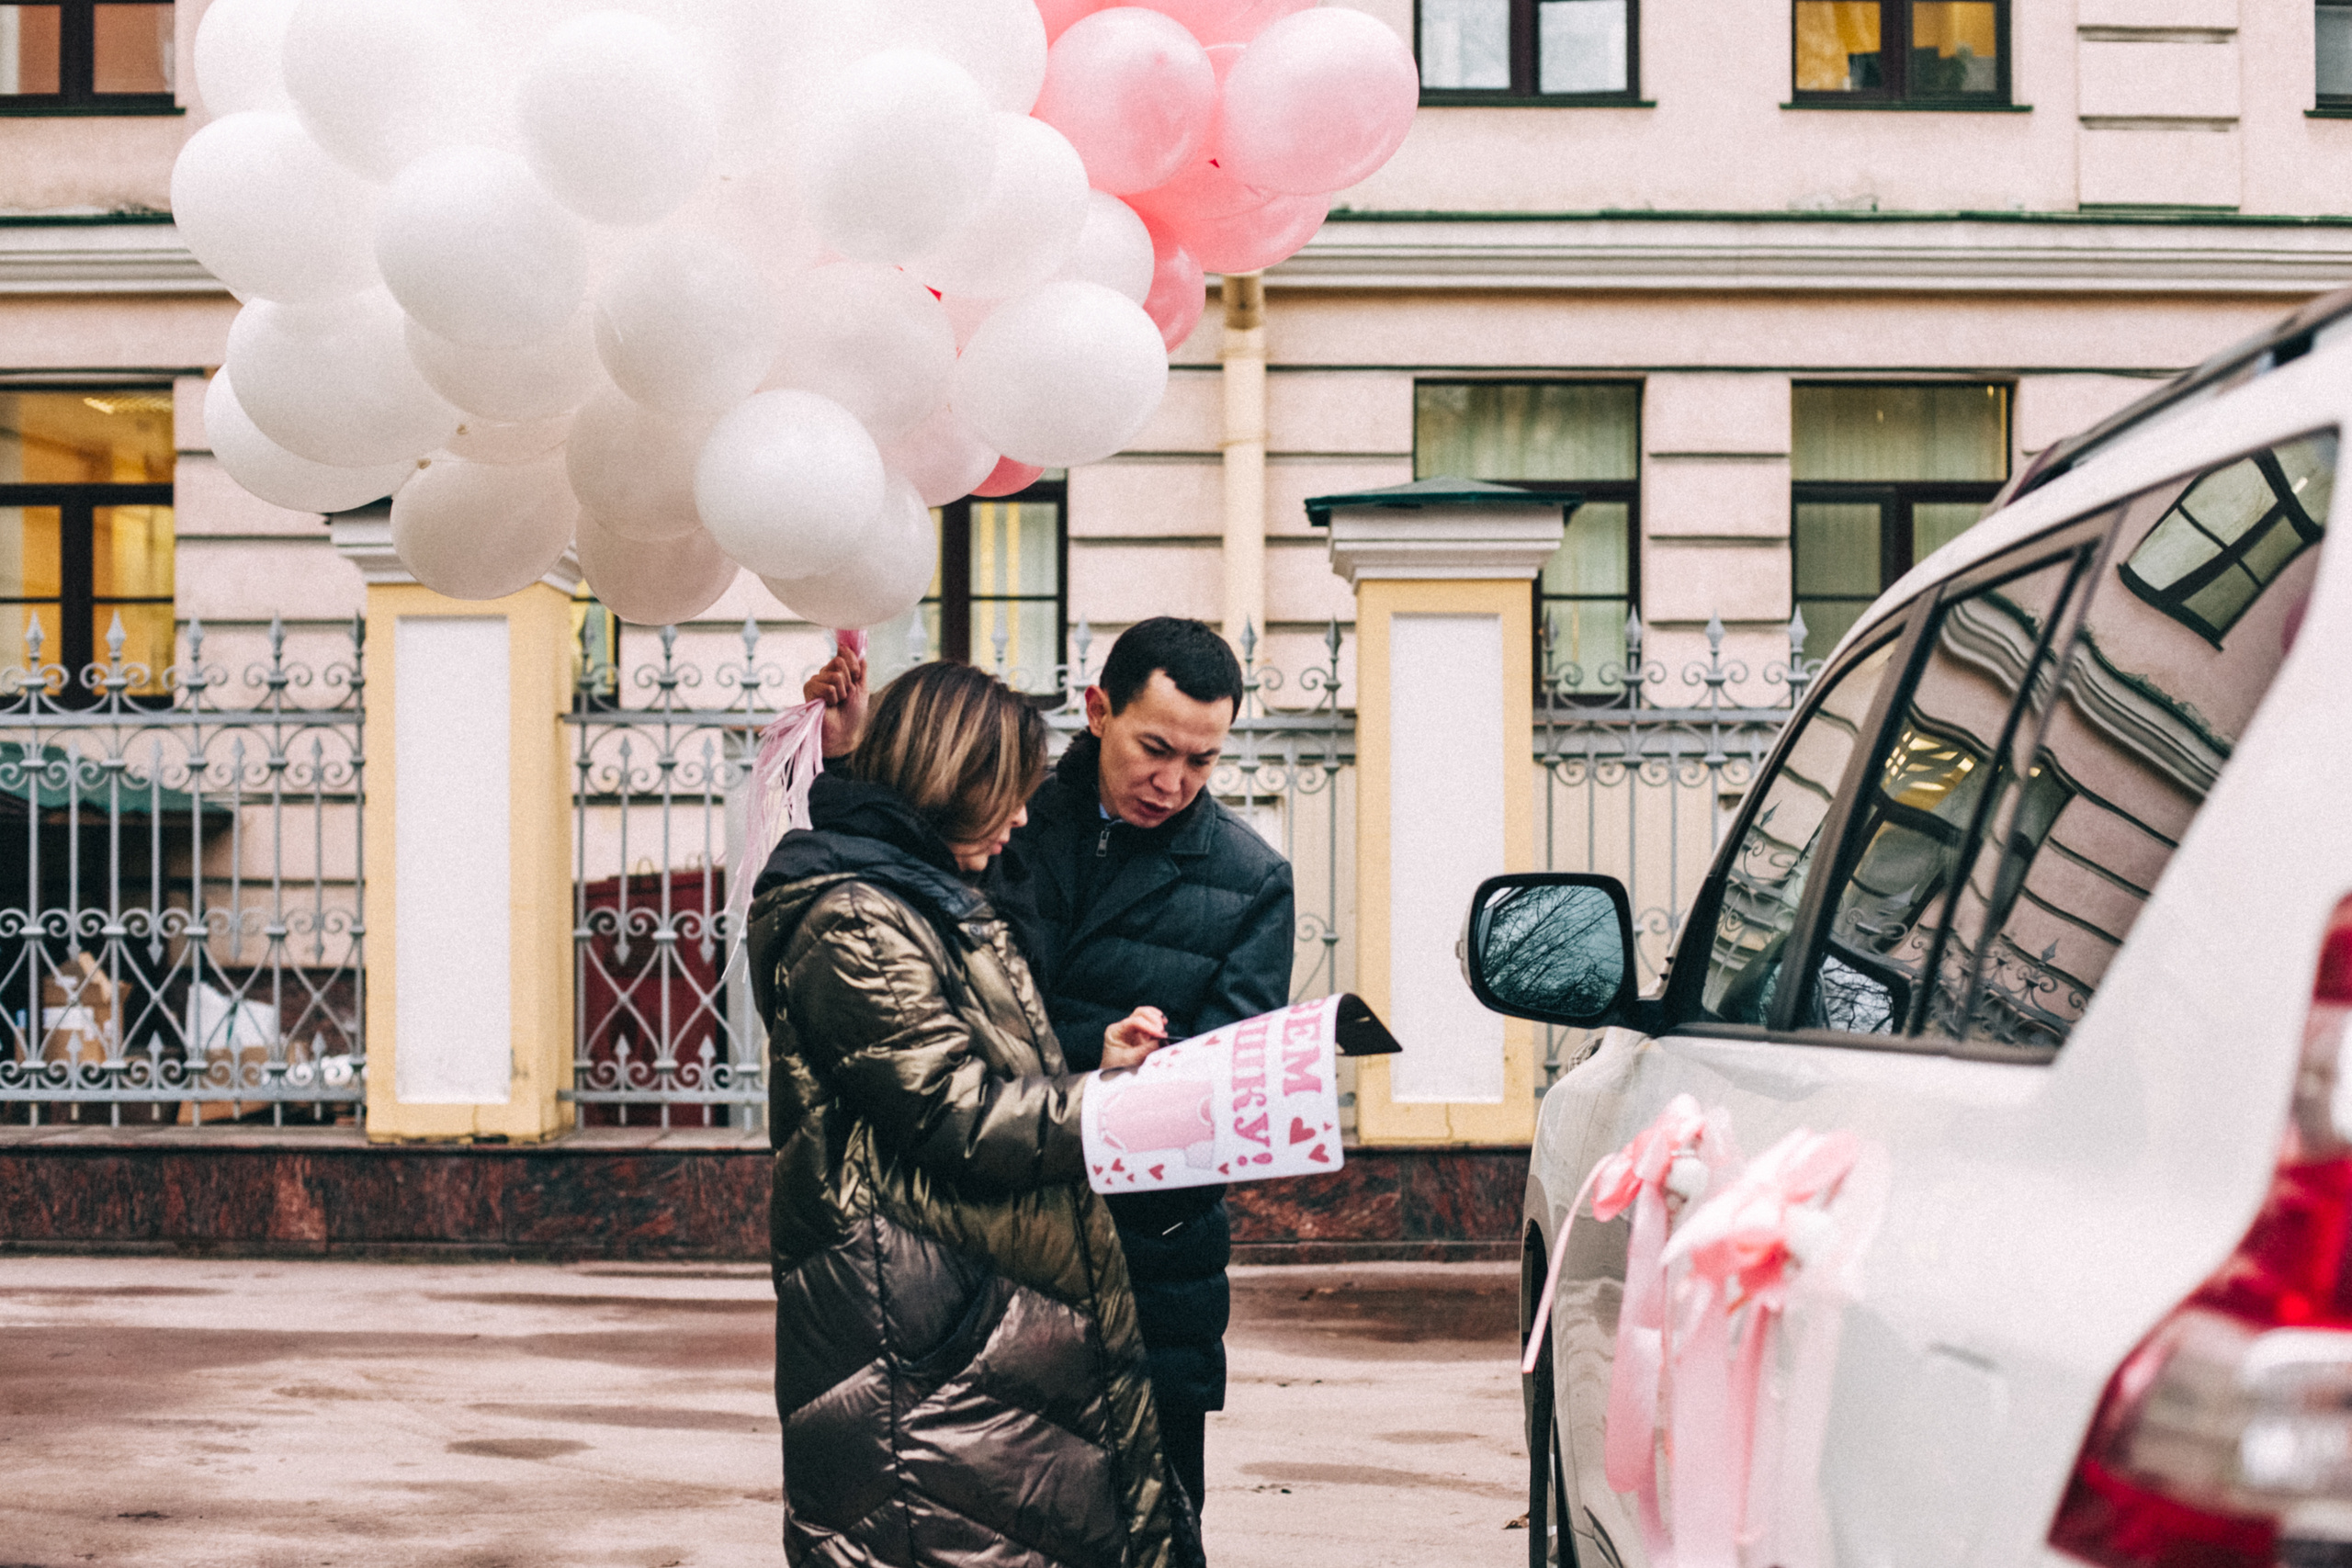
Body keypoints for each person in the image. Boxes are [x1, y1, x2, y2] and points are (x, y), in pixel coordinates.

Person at [807, 617, 1295, 1516]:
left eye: (1203, 760)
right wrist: (847, 760)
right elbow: (884, 880)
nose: (1174, 783)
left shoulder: (1250, 879)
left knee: (1150, 1529)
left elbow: (1225, 1113)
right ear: (1099, 710)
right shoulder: (1006, 812)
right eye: (1155, 749)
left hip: (1145, 1278)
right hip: (974, 1260)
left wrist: (1150, 1092)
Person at [746, 660, 1200, 1568]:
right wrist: (1112, 1103)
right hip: (922, 1338)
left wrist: (1100, 1068)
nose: (1023, 818)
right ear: (953, 782)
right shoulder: (857, 916)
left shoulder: (916, 892)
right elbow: (953, 1116)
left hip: (961, 1321)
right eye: (1008, 794)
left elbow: (972, 1069)